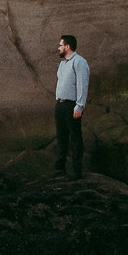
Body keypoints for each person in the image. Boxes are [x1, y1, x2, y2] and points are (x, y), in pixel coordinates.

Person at [53, 34, 88, 179]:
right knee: (61, 137)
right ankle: (60, 168)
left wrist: (79, 106)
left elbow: (82, 85)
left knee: (75, 138)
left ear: (67, 47)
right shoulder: (63, 63)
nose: (58, 48)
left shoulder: (79, 62)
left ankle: (76, 170)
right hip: (60, 104)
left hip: (72, 105)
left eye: (60, 45)